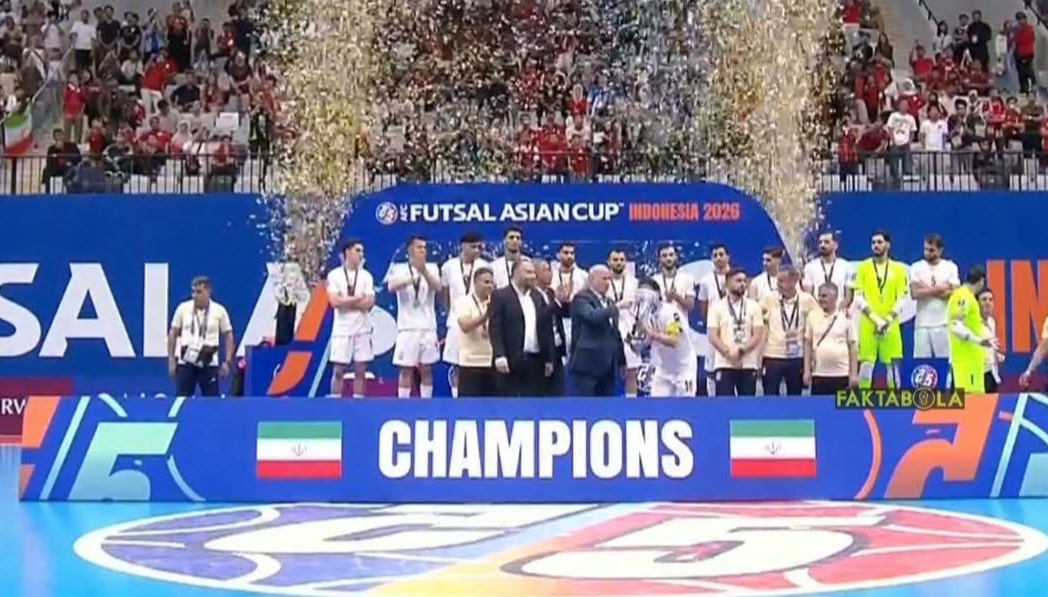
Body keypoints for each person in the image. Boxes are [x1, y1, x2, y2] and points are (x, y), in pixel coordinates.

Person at [386, 236, 443, 398]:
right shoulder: (399, 268)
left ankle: (426, 404)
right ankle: (403, 404)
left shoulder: (432, 268)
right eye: (419, 247)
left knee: (427, 369)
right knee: (406, 369)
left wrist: (423, 271)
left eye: (424, 248)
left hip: (428, 327)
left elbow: (438, 287)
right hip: (407, 327)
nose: (423, 250)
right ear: (410, 250)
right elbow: (391, 287)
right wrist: (411, 278)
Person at [851, 230, 909, 389]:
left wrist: (887, 320)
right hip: (868, 323)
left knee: (892, 365)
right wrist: (876, 320)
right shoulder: (862, 267)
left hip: (891, 324)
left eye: (879, 242)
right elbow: (858, 297)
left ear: (888, 245)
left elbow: (902, 299)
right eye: (873, 243)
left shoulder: (899, 269)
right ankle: (863, 398)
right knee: (866, 364)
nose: (876, 245)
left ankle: (894, 398)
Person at [489, 260, 555, 396]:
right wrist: (499, 355)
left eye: (534, 273)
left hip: (536, 361)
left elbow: (546, 328)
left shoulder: (537, 296)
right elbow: (495, 327)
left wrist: (549, 358)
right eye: (528, 272)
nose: (533, 276)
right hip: (510, 360)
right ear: (516, 273)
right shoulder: (501, 296)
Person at [167, 276, 235, 396]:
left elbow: (228, 336)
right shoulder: (183, 308)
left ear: (208, 292)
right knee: (182, 399)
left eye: (199, 292)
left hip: (209, 362)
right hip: (186, 362)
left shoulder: (219, 310)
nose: (195, 296)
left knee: (211, 401)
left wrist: (228, 361)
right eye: (193, 292)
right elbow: (173, 333)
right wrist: (171, 359)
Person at [440, 232, 488, 397]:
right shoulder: (448, 266)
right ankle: (456, 398)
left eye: (478, 247)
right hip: (455, 322)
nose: (476, 250)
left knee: (476, 364)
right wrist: (453, 312)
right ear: (462, 246)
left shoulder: (484, 265)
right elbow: (444, 294)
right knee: (456, 364)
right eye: (472, 247)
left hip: (479, 320)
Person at [325, 239, 375, 398]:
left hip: (362, 330)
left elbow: (369, 303)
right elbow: (334, 302)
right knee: (338, 371)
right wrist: (357, 299)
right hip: (342, 330)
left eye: (362, 251)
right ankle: (334, 404)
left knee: (360, 371)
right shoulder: (335, 275)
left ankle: (358, 404)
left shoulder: (366, 276)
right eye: (357, 250)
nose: (361, 254)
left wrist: (345, 301)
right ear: (347, 252)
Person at [568, 265, 626, 397]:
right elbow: (592, 317)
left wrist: (621, 360)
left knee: (606, 405)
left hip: (608, 367)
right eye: (604, 279)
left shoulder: (610, 302)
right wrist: (617, 307)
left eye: (609, 279)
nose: (607, 283)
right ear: (591, 279)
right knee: (587, 406)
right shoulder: (581, 298)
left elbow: (615, 333)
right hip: (587, 366)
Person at [707, 268, 765, 396]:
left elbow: (757, 335)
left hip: (748, 363)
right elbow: (712, 335)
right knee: (724, 404)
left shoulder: (754, 306)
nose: (743, 284)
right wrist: (728, 352)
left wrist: (741, 351)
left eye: (744, 281)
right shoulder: (717, 307)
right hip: (724, 363)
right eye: (738, 281)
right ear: (727, 283)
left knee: (747, 405)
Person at [761, 266, 816, 395]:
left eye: (781, 281)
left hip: (797, 356)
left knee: (795, 396)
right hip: (772, 355)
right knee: (769, 396)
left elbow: (816, 325)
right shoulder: (769, 298)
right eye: (777, 280)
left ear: (794, 281)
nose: (777, 285)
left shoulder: (807, 300)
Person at [640, 278, 698, 396]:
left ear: (657, 294)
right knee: (657, 403)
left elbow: (674, 341)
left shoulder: (670, 312)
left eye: (646, 293)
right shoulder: (644, 315)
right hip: (663, 369)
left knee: (686, 404)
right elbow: (646, 342)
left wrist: (652, 334)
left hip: (683, 368)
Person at [654, 244, 697, 390]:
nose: (668, 258)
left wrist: (676, 297)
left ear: (676, 257)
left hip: (680, 332)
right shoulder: (654, 280)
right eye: (664, 256)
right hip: (661, 333)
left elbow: (690, 306)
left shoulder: (686, 279)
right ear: (659, 259)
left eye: (671, 255)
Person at [910, 234, 959, 359]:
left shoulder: (950, 267)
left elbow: (954, 293)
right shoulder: (916, 267)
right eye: (925, 249)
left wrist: (924, 287)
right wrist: (941, 287)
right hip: (922, 324)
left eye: (931, 250)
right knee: (922, 363)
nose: (927, 253)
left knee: (945, 362)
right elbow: (914, 293)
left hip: (943, 323)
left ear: (940, 250)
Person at [804, 283, 858, 394]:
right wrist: (806, 370)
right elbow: (807, 344)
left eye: (824, 296)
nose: (820, 299)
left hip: (841, 374)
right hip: (819, 374)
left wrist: (853, 374)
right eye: (819, 296)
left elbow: (853, 348)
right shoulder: (812, 316)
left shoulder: (846, 317)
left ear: (835, 297)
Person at [947, 265, 994, 393]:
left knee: (977, 399)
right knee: (969, 398)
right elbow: (955, 325)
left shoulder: (968, 297)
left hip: (973, 360)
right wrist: (979, 341)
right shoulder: (963, 297)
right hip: (966, 361)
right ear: (981, 281)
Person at [454, 267, 499, 397]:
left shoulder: (497, 302)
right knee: (469, 405)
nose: (490, 286)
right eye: (486, 282)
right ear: (475, 283)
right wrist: (485, 316)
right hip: (470, 363)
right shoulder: (463, 302)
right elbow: (465, 326)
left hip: (492, 362)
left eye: (492, 282)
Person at [606, 248, 641, 397]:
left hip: (629, 333)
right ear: (608, 262)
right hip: (607, 332)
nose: (619, 263)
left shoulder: (635, 283)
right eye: (615, 260)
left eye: (622, 260)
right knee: (606, 372)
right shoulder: (603, 282)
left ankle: (632, 404)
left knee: (632, 372)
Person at [698, 244, 730, 395]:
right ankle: (712, 397)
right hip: (714, 330)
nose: (718, 258)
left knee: (731, 366)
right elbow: (703, 306)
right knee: (711, 368)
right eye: (715, 255)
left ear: (728, 257)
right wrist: (710, 325)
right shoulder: (706, 281)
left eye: (721, 254)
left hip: (733, 329)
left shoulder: (737, 277)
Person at [533, 259, 567, 395]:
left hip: (557, 348)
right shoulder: (531, 295)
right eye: (546, 270)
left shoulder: (550, 293)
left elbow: (558, 315)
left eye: (550, 270)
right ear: (535, 273)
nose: (550, 273)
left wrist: (564, 301)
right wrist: (557, 302)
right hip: (542, 352)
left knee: (558, 392)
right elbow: (541, 317)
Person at [802, 232, 852, 310]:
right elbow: (808, 295)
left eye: (826, 242)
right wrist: (818, 310)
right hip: (817, 311)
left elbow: (848, 297)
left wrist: (839, 311)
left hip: (839, 311)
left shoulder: (846, 266)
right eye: (820, 242)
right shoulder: (810, 267)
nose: (822, 245)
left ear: (835, 245)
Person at [553, 241, 587, 348]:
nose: (569, 256)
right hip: (556, 319)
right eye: (566, 253)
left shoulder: (583, 276)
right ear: (558, 255)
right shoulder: (551, 275)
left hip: (577, 320)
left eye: (572, 253)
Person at [978, 288, 1003, 393]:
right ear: (977, 303)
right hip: (979, 373)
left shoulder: (992, 322)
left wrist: (996, 355)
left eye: (990, 299)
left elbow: (990, 345)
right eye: (984, 299)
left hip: (992, 372)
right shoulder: (972, 324)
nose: (987, 303)